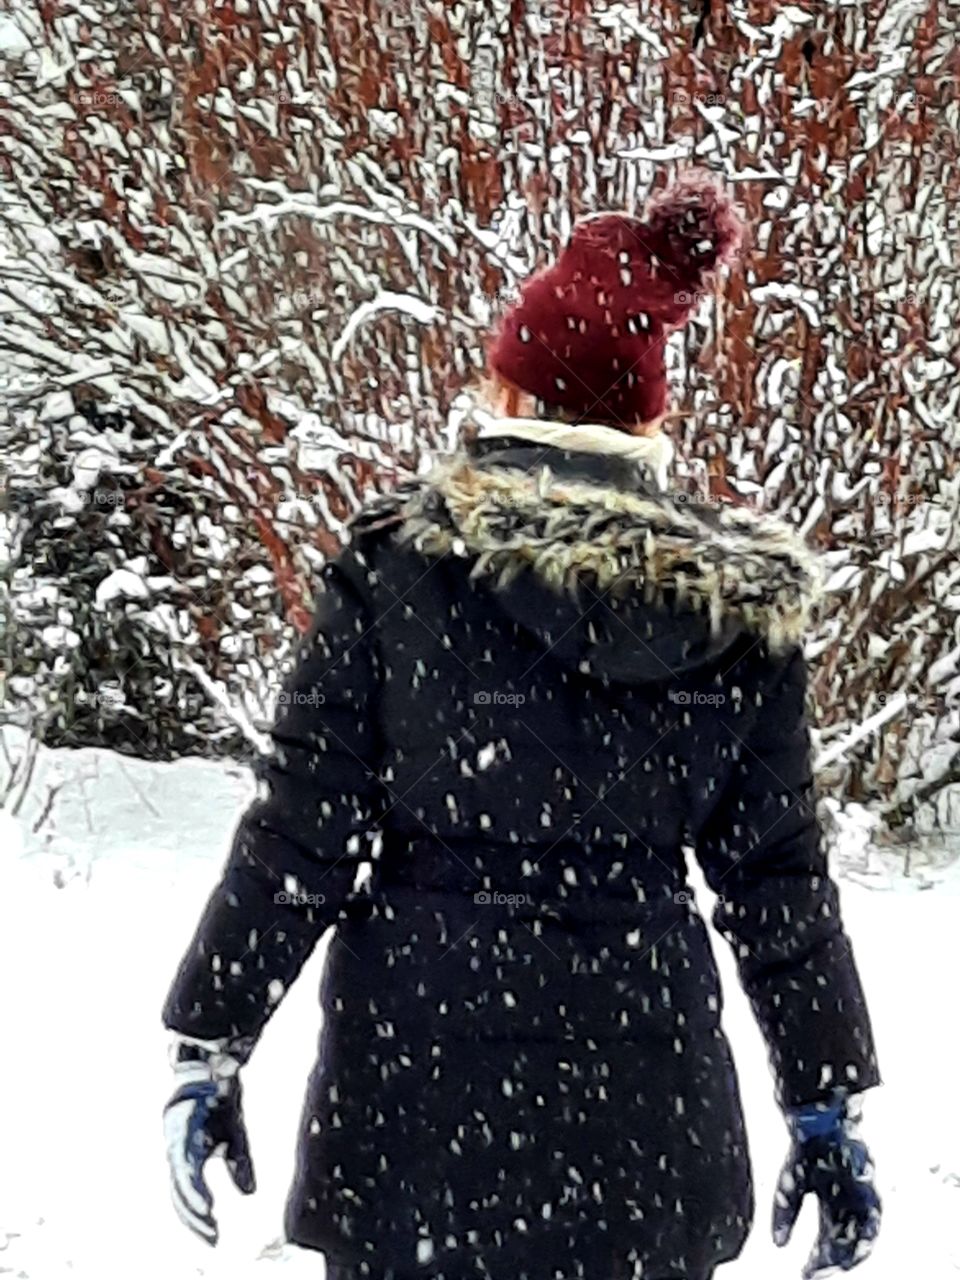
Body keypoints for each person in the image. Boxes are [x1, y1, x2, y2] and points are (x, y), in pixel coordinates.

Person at [162, 171, 881, 1280]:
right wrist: (828, 1104)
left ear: (510, 386)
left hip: (414, 1122)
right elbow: (777, 878)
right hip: (645, 1128)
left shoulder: (401, 567)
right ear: (651, 413)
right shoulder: (732, 608)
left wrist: (212, 1041)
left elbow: (302, 832)